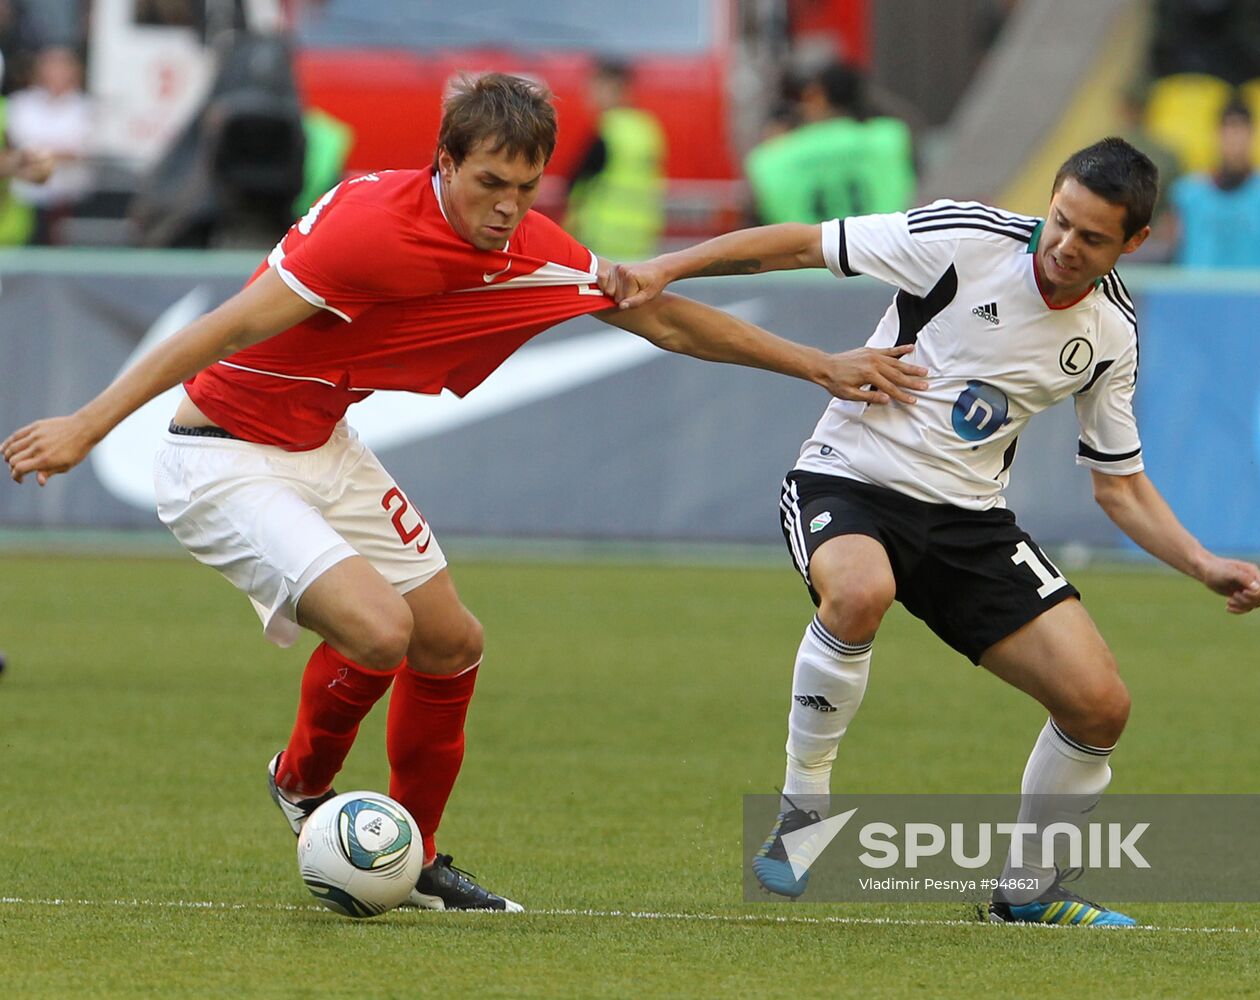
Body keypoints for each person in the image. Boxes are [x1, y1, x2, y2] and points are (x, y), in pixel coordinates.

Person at [2, 72, 926, 912]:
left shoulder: (530, 248)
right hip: (222, 455)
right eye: (489, 184)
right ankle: (300, 784)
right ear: (443, 162)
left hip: (326, 443)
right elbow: (225, 325)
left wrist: (819, 364)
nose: (507, 209)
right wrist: (89, 423)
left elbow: (666, 320)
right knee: (378, 632)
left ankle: (415, 858)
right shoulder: (369, 231)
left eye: (526, 189)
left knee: (450, 643)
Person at [605, 137, 1260, 926]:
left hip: (969, 524)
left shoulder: (1112, 331)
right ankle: (802, 811)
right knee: (859, 591)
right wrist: (663, 268)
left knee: (1099, 706)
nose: (1062, 246)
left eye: (1091, 238)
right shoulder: (965, 238)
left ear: (1133, 243)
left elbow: (1117, 485)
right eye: (1058, 220)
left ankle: (1024, 896)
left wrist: (1202, 564)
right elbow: (794, 245)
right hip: (847, 478)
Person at [744, 61, 916, 226]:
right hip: (882, 251)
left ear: (818, 96)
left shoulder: (771, 157)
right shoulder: (891, 137)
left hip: (808, 253)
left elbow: (760, 217)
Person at [1168, 97, 1260, 268]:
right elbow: (1170, 255)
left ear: (1254, 136)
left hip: (1259, 293)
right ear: (1216, 135)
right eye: (1229, 129)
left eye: (1241, 130)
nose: (1235, 140)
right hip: (1199, 293)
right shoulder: (1186, 195)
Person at [563, 58, 666, 261]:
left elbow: (576, 182)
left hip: (602, 237)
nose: (589, 93)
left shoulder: (608, 130)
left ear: (614, 88)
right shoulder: (647, 129)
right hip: (641, 239)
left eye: (595, 86)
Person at [4, 44, 94, 245]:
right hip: (29, 199)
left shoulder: (86, 108)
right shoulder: (21, 103)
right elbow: (17, 148)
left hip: (69, 197)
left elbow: (80, 151)